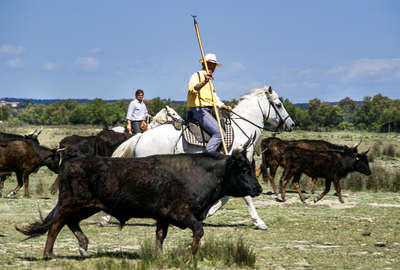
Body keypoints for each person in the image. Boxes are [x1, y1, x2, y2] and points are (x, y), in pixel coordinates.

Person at [187, 53, 232, 152]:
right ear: (205, 64)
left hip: (209, 110)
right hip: (199, 110)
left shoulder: (210, 80)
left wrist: (224, 106)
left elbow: (215, 99)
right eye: (211, 64)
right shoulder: (197, 75)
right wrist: (204, 82)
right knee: (220, 134)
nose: (214, 67)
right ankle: (207, 156)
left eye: (214, 65)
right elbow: (193, 89)